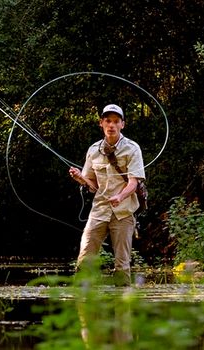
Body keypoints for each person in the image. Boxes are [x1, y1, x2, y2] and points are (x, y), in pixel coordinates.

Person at [69, 103, 145, 286]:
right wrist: (80, 178)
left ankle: (122, 305)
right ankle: (82, 300)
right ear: (101, 123)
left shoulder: (132, 148)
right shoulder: (93, 150)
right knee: (85, 256)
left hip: (124, 212)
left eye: (116, 121)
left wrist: (120, 197)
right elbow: (92, 185)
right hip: (99, 211)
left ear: (122, 124)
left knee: (122, 263)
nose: (111, 125)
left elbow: (134, 182)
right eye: (108, 121)